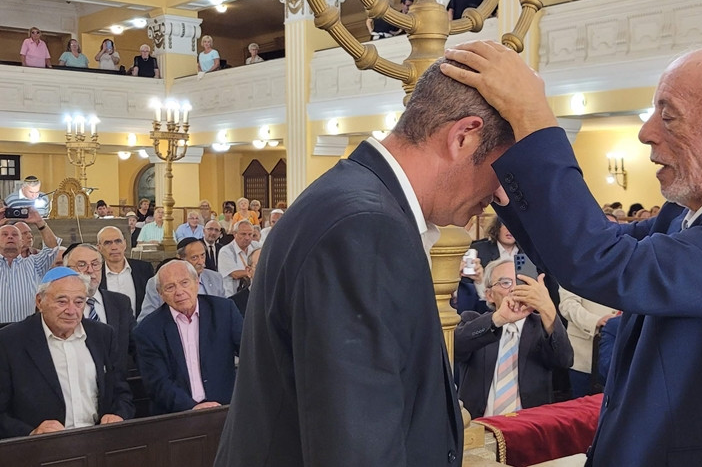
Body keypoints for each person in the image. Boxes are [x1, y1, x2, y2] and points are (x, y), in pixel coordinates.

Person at [442, 40, 702, 467]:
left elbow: (603, 261)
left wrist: (533, 118)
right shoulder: (686, 212)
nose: (646, 131)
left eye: (668, 116)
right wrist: (510, 176)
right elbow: (573, 253)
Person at [214, 59, 515, 467]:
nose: (501, 195)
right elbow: (357, 445)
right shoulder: (367, 225)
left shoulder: (355, 199)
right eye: (503, 169)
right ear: (463, 137)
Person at [0, 267, 133, 438]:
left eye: (79, 302)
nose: (71, 311)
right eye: (62, 302)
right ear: (39, 302)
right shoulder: (10, 341)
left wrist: (118, 415)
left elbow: (121, 392)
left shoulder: (102, 335)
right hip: (41, 445)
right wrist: (31, 432)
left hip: (99, 439)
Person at [454, 258, 572, 419]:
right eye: (505, 283)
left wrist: (548, 308)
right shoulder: (473, 321)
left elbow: (564, 360)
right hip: (479, 424)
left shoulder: (543, 326)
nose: (515, 289)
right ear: (489, 295)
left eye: (520, 282)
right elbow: (454, 349)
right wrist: (499, 319)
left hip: (529, 425)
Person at [133, 260, 242, 415]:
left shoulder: (224, 311)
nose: (179, 291)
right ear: (160, 293)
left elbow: (250, 353)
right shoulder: (147, 330)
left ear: (197, 283)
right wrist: (191, 408)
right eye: (170, 287)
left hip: (226, 409)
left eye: (184, 283)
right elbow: (157, 382)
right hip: (177, 415)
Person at [63, 243, 135, 371]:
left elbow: (136, 346)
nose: (90, 270)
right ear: (67, 270)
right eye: (82, 265)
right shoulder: (61, 308)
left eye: (95, 264)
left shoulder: (121, 303)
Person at [0, 206, 62, 323]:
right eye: (4, 234)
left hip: (26, 329)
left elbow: (52, 249)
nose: (10, 236)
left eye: (15, 234)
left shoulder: (35, 264)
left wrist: (39, 222)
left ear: (22, 242)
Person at [138, 239, 226, 321]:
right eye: (194, 257)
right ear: (180, 258)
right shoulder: (158, 281)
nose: (201, 261)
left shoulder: (215, 278)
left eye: (202, 255)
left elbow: (223, 310)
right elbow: (145, 320)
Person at [558, 287, 617, 398]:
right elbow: (567, 304)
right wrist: (595, 321)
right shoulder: (572, 273)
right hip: (584, 356)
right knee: (582, 404)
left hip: (623, 358)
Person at [97, 226, 154, 317]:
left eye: (118, 241)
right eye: (108, 243)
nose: (114, 247)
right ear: (99, 248)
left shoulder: (144, 269)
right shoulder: (97, 274)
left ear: (125, 244)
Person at [218, 220, 260, 297]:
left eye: (250, 234)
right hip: (233, 295)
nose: (247, 238)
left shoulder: (257, 246)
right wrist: (255, 272)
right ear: (234, 234)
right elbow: (235, 274)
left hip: (253, 293)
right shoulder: (226, 251)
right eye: (243, 234)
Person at [229, 248, 261, 317]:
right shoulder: (233, 304)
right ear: (249, 271)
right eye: (260, 267)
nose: (267, 271)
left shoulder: (282, 299)